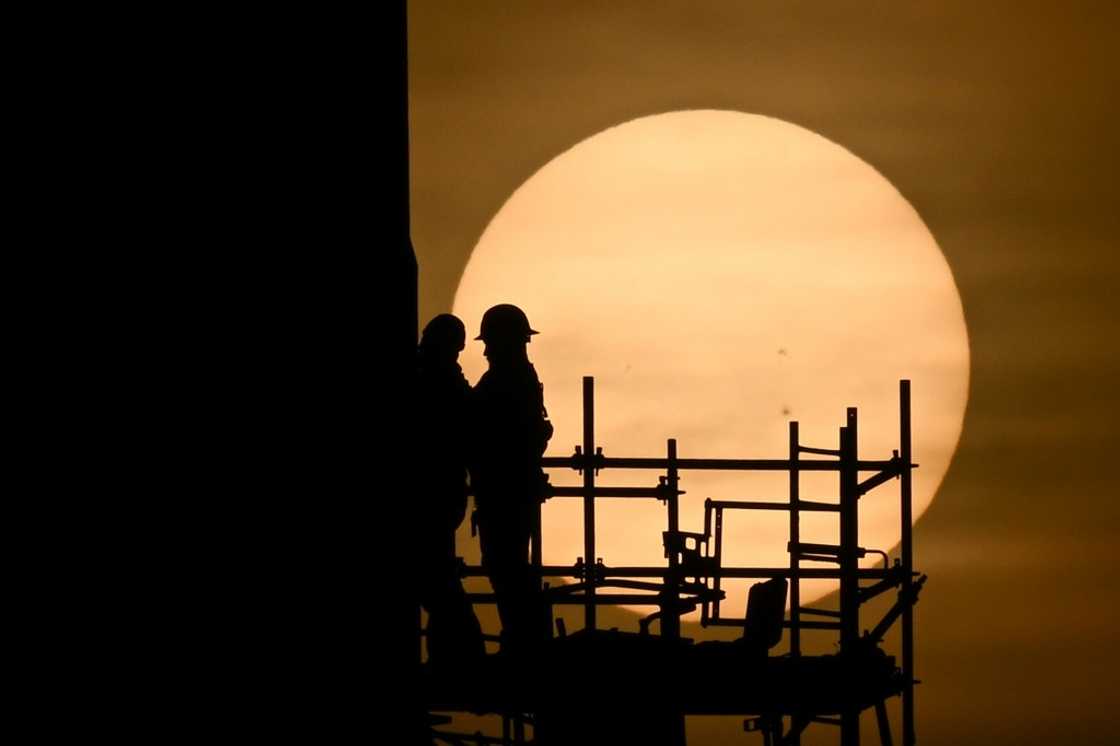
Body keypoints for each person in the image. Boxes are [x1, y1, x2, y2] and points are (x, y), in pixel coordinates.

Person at [469, 304, 554, 657]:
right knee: (513, 569)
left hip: (504, 493)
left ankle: (523, 645)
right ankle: (525, 643)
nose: (486, 351)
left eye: (490, 342)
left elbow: (477, 424)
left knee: (507, 568)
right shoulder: (521, 378)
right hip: (514, 491)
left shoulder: (505, 381)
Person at [415, 314, 484, 668]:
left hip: (434, 495)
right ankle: (460, 657)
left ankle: (454, 657)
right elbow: (472, 423)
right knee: (439, 581)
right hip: (438, 494)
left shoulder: (429, 376)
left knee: (436, 579)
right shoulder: (443, 381)